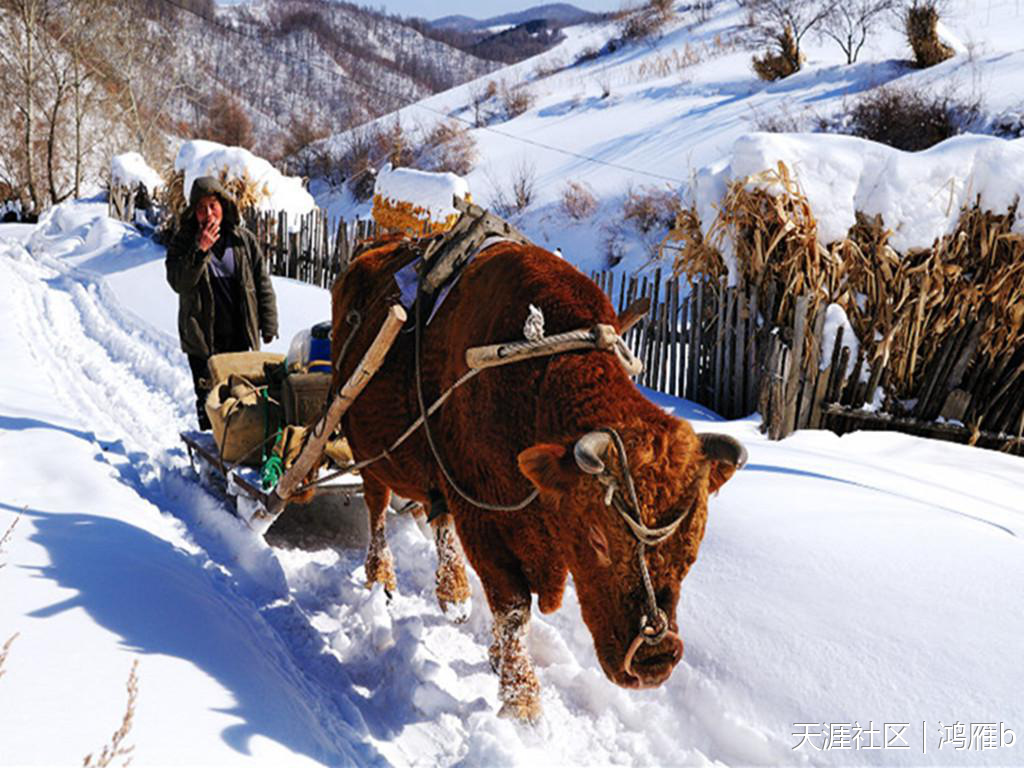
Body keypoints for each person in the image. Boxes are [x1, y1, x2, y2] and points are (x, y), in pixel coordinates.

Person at [166, 176, 278, 430]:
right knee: (209, 403)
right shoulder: (182, 242)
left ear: (223, 206)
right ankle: (211, 459)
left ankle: (233, 452)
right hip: (202, 339)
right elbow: (179, 283)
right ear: (193, 212)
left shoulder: (243, 240)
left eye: (213, 206)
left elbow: (262, 284)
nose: (208, 213)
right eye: (201, 208)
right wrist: (200, 250)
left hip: (238, 336)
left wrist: (269, 324)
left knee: (240, 399)